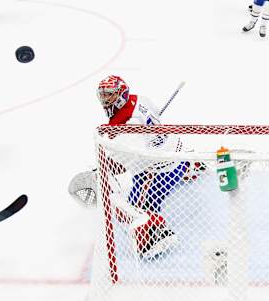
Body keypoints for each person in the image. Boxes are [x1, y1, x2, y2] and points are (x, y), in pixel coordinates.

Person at [68, 75, 205, 259]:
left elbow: (126, 167)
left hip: (160, 170)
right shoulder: (140, 100)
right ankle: (190, 166)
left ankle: (154, 236)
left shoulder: (124, 131)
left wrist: (103, 167)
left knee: (133, 209)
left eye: (110, 95)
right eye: (102, 95)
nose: (105, 100)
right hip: (178, 151)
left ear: (122, 94)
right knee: (167, 156)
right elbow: (154, 114)